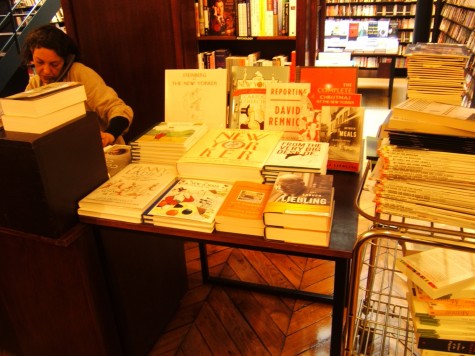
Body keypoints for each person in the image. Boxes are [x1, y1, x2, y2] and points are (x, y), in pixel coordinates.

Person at [21, 24, 133, 146]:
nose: (46, 71)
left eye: (54, 64)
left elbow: (118, 109)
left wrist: (110, 134)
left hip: (100, 148)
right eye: (40, 62)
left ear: (66, 59)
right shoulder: (35, 83)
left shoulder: (79, 73)